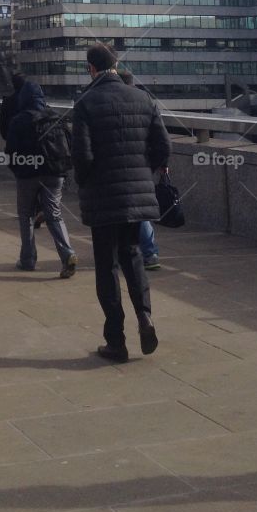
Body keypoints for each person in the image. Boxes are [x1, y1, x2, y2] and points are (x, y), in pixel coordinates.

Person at [72, 43, 171, 363]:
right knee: (133, 256)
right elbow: (163, 146)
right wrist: (144, 170)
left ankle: (116, 340)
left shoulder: (86, 102)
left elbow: (82, 156)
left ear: (91, 68)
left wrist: (86, 182)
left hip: (103, 196)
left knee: (106, 266)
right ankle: (145, 316)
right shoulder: (143, 98)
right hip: (136, 193)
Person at [5, 80, 77, 277]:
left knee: (26, 216)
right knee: (54, 215)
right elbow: (69, 145)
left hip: (28, 174)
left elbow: (10, 152)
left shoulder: (19, 120)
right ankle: (67, 253)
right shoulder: (56, 117)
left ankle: (28, 260)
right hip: (54, 173)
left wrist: (18, 170)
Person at [120, 70, 163, 270]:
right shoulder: (146, 101)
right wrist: (157, 164)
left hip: (119, 167)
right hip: (142, 166)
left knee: (122, 212)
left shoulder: (114, 102)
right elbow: (161, 138)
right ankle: (150, 253)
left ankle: (126, 252)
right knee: (141, 212)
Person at [0, 74, 25, 141]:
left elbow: (3, 125)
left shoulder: (7, 102)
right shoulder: (31, 100)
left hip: (13, 140)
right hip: (30, 142)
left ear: (13, 84)